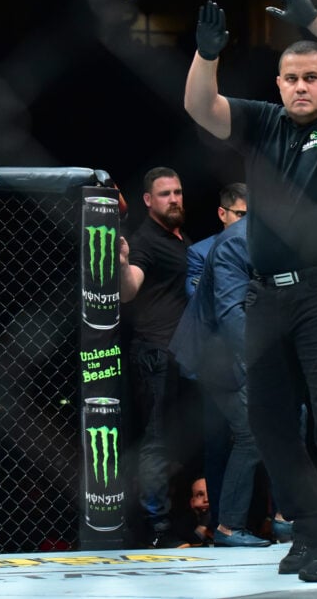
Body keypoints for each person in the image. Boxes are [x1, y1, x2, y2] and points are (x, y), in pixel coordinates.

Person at [184, 0, 317, 582]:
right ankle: (311, 531)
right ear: (279, 85)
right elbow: (201, 106)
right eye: (291, 79)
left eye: (311, 78)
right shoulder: (264, 123)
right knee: (270, 422)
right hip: (266, 296)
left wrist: (315, 21)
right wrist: (206, 56)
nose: (300, 87)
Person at [170, 215, 270, 548]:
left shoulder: (274, 237)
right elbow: (232, 312)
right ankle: (228, 527)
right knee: (250, 434)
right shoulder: (238, 241)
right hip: (217, 353)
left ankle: (284, 518)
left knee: (287, 422)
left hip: (241, 349)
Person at [118, 167, 193, 549]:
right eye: (165, 194)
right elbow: (130, 289)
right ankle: (157, 529)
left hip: (180, 355)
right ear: (148, 200)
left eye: (178, 192)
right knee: (157, 442)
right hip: (155, 353)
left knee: (175, 443)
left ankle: (173, 522)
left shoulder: (178, 239)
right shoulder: (146, 240)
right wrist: (121, 261)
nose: (174, 199)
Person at [185, 183, 248, 298]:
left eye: (251, 216)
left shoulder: (263, 249)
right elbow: (197, 297)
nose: (247, 221)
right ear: (222, 214)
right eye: (240, 214)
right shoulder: (199, 253)